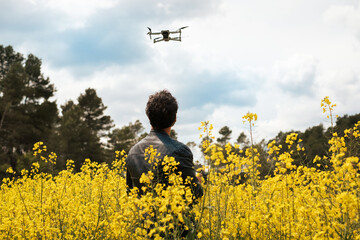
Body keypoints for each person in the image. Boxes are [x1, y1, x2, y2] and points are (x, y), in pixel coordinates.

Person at [125, 89, 203, 200]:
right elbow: (195, 195)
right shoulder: (180, 151)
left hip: (141, 217)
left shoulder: (132, 153)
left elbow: (130, 194)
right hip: (172, 216)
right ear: (175, 119)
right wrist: (197, 182)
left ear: (148, 117)